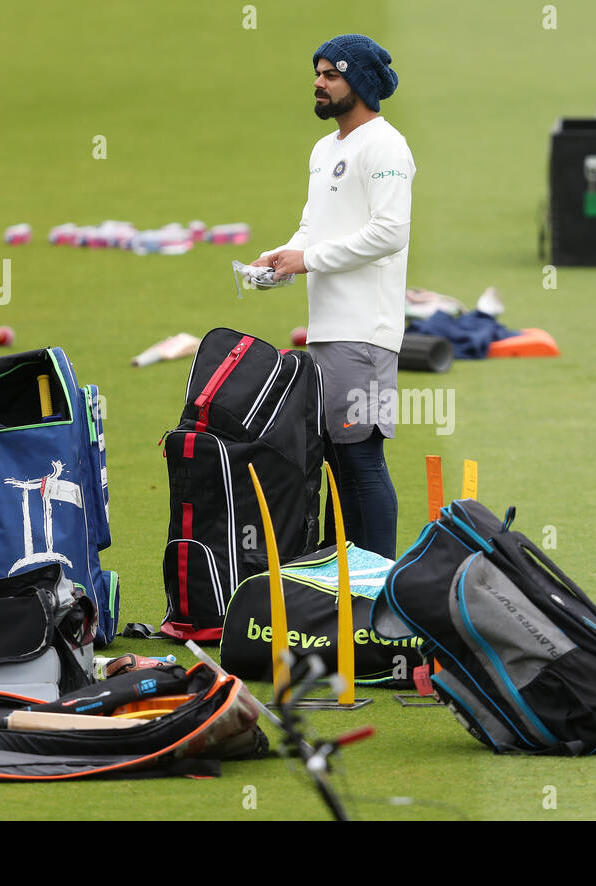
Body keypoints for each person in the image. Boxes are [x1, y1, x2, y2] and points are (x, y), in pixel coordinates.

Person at [252, 33, 415, 560]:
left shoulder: (386, 145)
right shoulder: (325, 150)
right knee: (336, 462)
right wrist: (284, 257)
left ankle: (377, 582)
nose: (318, 84)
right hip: (328, 331)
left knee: (361, 459)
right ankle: (345, 580)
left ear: (360, 83)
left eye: (331, 74)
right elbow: (312, 227)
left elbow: (391, 231)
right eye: (318, 73)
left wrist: (311, 259)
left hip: (366, 333)